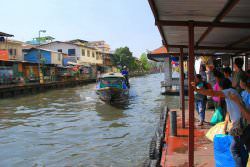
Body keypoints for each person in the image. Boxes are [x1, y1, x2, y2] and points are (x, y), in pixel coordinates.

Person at [192, 78, 249, 166]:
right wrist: (227, 123)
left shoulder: (229, 92)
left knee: (234, 149)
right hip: (243, 124)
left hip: (241, 125)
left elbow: (212, 93)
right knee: (242, 148)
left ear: (221, 87)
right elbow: (229, 112)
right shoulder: (232, 92)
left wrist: (197, 90)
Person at [229, 74, 250, 153]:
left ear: (244, 83)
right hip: (245, 124)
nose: (239, 83)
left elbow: (248, 116)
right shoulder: (244, 93)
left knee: (234, 148)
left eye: (240, 81)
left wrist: (237, 102)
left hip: (247, 125)